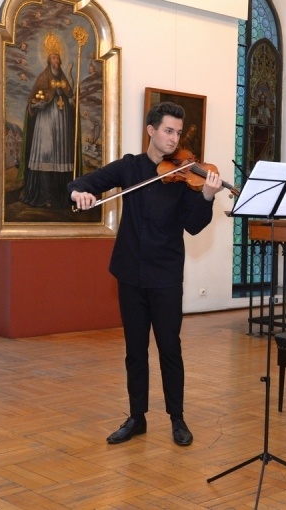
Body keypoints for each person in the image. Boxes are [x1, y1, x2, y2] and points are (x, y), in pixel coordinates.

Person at [68, 101, 225, 446]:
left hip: (166, 275)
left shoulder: (186, 176)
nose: (173, 139)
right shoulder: (130, 168)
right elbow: (87, 181)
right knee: (134, 350)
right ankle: (136, 417)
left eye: (178, 133)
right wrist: (79, 192)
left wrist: (208, 197)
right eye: (168, 131)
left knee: (170, 348)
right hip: (130, 274)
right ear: (151, 131)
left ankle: (178, 419)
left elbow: (194, 226)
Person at [19, 33, 78, 208]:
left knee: (60, 158)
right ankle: (45, 196)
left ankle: (60, 196)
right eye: (53, 57)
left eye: (58, 57)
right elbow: (32, 101)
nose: (56, 60)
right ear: (48, 59)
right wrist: (39, 104)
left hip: (61, 123)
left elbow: (69, 96)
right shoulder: (43, 77)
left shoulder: (63, 78)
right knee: (45, 155)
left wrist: (71, 99)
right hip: (45, 123)